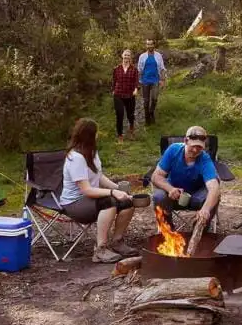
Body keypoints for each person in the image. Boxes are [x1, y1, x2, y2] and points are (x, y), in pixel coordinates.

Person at [58, 118, 139, 263]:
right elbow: (86, 190)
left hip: (90, 200)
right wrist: (113, 193)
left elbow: (99, 176)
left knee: (127, 201)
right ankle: (100, 249)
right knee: (109, 202)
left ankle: (117, 241)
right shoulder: (75, 158)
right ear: (89, 135)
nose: (98, 136)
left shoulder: (92, 152)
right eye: (96, 133)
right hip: (74, 204)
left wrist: (118, 189)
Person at [151, 125, 220, 227]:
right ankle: (168, 229)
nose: (196, 150)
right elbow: (156, 176)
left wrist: (205, 209)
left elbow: (214, 187)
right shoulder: (173, 150)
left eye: (199, 147)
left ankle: (200, 227)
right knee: (159, 196)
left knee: (214, 196)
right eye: (193, 146)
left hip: (196, 196)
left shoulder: (204, 158)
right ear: (186, 141)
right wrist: (170, 189)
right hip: (174, 194)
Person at [137, 38, 166, 126]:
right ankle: (147, 119)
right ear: (146, 45)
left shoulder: (158, 56)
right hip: (145, 81)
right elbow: (139, 70)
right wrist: (138, 82)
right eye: (148, 44)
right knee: (146, 101)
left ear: (154, 45)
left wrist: (163, 80)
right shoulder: (142, 56)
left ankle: (151, 112)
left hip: (155, 81)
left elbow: (162, 68)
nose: (149, 46)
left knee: (154, 99)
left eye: (151, 44)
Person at [112, 49, 139, 142]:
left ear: (130, 57)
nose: (126, 57)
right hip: (118, 94)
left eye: (128, 55)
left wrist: (136, 89)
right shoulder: (116, 69)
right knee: (119, 114)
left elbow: (136, 81)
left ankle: (131, 129)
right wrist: (113, 91)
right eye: (125, 55)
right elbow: (114, 81)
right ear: (122, 56)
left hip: (130, 95)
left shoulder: (134, 69)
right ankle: (120, 136)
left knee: (130, 115)